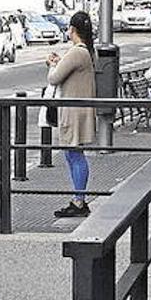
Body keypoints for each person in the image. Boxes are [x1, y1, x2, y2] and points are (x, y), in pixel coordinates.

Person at [47, 11, 97, 218]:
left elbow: (54, 77)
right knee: (74, 154)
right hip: (81, 110)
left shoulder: (77, 52)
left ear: (72, 30)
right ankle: (79, 198)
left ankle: (79, 200)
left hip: (73, 111)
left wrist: (52, 65)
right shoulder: (86, 51)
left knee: (74, 154)